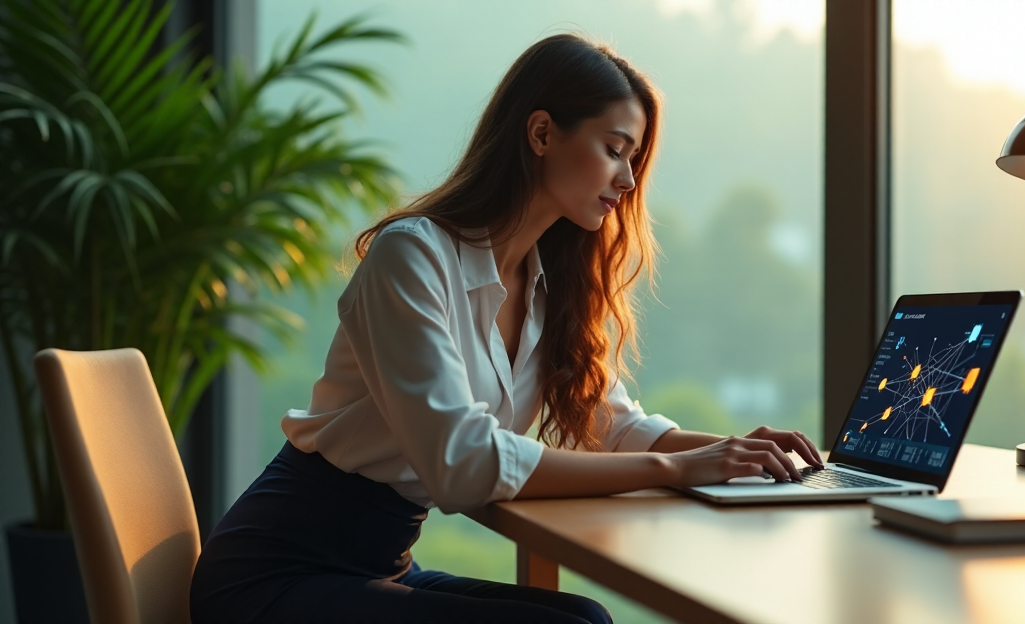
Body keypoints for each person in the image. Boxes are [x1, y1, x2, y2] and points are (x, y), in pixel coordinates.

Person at [190, 33, 823, 624]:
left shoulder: (548, 285)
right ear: (542, 133)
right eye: (614, 150)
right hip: (271, 574)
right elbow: (461, 464)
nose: (628, 181)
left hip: (377, 565)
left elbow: (615, 426)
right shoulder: (412, 257)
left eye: (633, 160)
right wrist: (675, 471)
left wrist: (739, 455)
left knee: (584, 617)